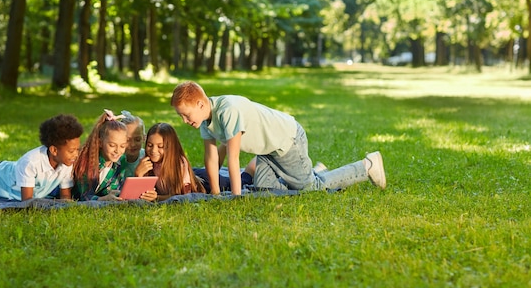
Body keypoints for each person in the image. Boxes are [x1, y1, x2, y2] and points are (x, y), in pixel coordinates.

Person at [170, 81, 386, 196]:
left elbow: (233, 160)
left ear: (200, 104)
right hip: (266, 151)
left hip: (287, 141)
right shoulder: (205, 119)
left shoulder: (228, 111)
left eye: (185, 115)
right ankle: (312, 172)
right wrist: (216, 194)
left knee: (310, 189)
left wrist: (236, 199)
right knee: (263, 189)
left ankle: (367, 166)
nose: (184, 120)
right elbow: (211, 159)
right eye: (181, 116)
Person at [72, 110, 157, 202]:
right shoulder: (89, 161)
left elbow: (116, 190)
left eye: (122, 146)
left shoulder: (119, 163)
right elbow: (84, 196)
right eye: (112, 145)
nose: (117, 151)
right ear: (100, 143)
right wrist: (103, 199)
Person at [134, 122, 206, 201]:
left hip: (205, 180)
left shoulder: (179, 163)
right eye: (150, 145)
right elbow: (140, 194)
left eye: (160, 146)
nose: (153, 150)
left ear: (170, 147)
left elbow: (182, 196)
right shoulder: (145, 161)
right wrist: (138, 174)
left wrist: (157, 198)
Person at [117, 110, 147, 175]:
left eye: (137, 139)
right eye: (127, 140)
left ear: (144, 138)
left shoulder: (146, 157)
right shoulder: (115, 159)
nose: (133, 144)